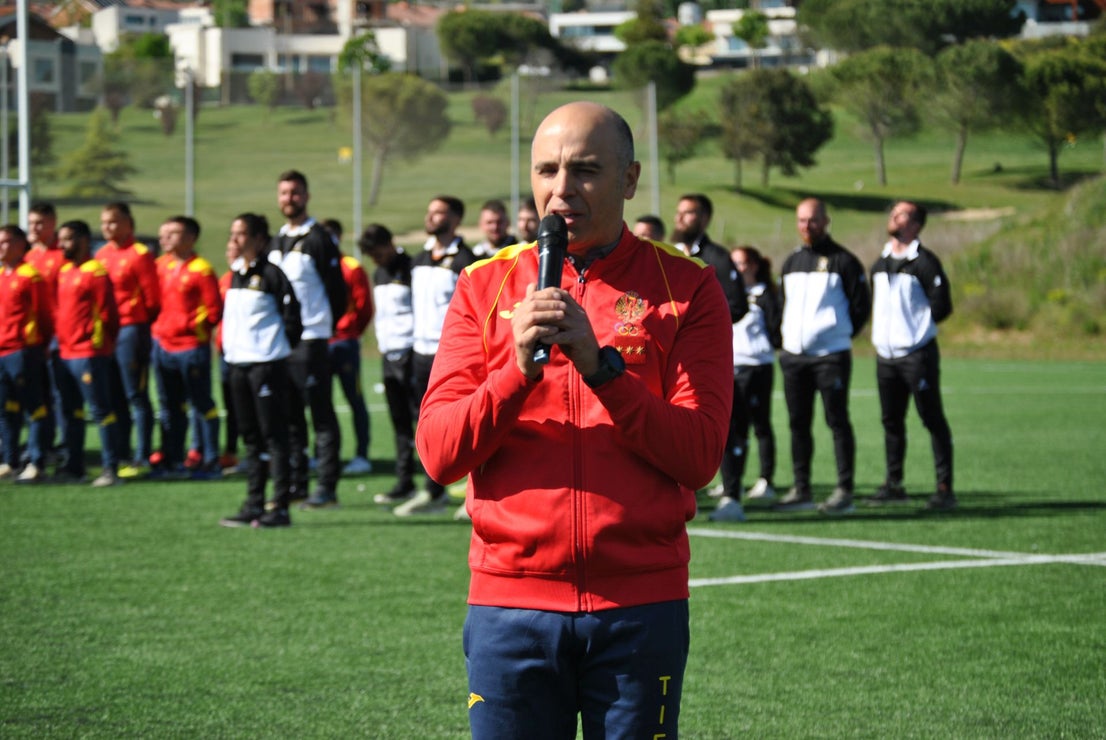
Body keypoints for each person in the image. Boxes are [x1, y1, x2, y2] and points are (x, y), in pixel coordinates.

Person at [415, 102, 733, 738]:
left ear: (630, 179)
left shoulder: (687, 287)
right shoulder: (483, 286)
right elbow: (439, 453)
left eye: (586, 169)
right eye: (547, 170)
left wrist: (601, 368)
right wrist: (515, 372)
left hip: (641, 606)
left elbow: (698, 457)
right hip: (509, 605)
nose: (562, 190)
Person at [776, 198, 871, 515]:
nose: (807, 226)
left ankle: (844, 489)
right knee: (797, 423)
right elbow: (781, 307)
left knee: (837, 421)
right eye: (801, 220)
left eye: (813, 220)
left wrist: (836, 334)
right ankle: (801, 488)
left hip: (830, 356)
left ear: (826, 221)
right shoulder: (791, 262)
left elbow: (860, 308)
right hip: (794, 358)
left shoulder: (844, 261)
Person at [868, 201, 956, 511]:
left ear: (916, 225)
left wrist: (916, 331)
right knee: (891, 421)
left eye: (902, 214)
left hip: (917, 355)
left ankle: (944, 488)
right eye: (892, 212)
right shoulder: (880, 263)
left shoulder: (925, 262)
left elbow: (942, 306)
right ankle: (894, 484)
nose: (893, 216)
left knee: (931, 419)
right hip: (885, 357)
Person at [393, 195, 476, 516]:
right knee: (425, 424)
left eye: (438, 212)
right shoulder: (419, 259)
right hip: (419, 353)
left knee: (463, 422)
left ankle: (472, 494)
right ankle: (433, 492)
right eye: (429, 211)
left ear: (455, 219)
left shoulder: (464, 260)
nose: (431, 217)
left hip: (451, 355)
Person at [268, 170, 347, 508]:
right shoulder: (275, 241)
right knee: (289, 417)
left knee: (321, 416)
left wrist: (321, 326)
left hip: (312, 339)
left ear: (307, 196)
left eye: (296, 192)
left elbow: (338, 292)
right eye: (284, 192)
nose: (290, 198)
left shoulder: (319, 238)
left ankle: (326, 487)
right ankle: (297, 483)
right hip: (281, 343)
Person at [219, 213, 303, 528]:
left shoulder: (272, 275)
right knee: (251, 439)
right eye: (232, 233)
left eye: (240, 234)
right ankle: (253, 503)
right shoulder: (236, 274)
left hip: (266, 367)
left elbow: (293, 319)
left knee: (275, 437)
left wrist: (275, 352)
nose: (234, 240)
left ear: (258, 239)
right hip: (238, 366)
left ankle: (278, 506)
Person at [710, 245, 782, 522]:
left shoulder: (765, 294)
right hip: (731, 365)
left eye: (742, 263)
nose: (738, 269)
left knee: (758, 424)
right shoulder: (726, 293)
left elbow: (775, 329)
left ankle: (765, 479)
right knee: (731, 427)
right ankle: (732, 481)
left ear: (753, 265)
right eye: (734, 263)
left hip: (756, 366)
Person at [151, 216, 224, 480]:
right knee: (169, 406)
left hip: (191, 347)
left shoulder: (201, 270)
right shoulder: (160, 266)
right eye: (164, 233)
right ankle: (172, 459)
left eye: (173, 233)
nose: (165, 238)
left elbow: (214, 310)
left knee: (201, 403)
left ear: (191, 238)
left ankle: (210, 460)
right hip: (163, 346)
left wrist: (191, 327)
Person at [52, 220, 122, 487]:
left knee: (101, 410)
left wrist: (100, 346)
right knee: (70, 411)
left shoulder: (96, 273)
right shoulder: (65, 271)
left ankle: (110, 469)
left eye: (67, 239)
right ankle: (74, 466)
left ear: (83, 241)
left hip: (88, 353)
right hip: (64, 352)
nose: (62, 245)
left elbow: (108, 315)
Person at [98, 202, 160, 479]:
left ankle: (142, 455)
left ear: (128, 224)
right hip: (106, 333)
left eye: (113, 222)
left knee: (136, 394)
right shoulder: (100, 255)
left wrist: (137, 325)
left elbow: (152, 300)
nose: (107, 227)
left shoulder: (140, 254)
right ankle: (121, 453)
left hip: (131, 330)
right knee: (114, 396)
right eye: (104, 223)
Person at [322, 217, 374, 476]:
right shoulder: (315, 266)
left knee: (354, 398)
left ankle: (362, 454)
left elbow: (364, 308)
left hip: (344, 343)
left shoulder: (351, 267)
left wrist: (349, 332)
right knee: (320, 402)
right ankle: (322, 455)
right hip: (319, 344)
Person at [0, 225, 51, 482]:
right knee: (6, 409)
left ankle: (36, 461)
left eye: (7, 242)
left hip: (23, 351)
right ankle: (9, 461)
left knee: (34, 409)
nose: (2, 246)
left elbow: (44, 315)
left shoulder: (31, 277)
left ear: (21, 246)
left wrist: (39, 347)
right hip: (1, 351)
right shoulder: (0, 275)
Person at [25, 202, 66, 458]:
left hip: (57, 335)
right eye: (31, 223)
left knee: (58, 391)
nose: (35, 228)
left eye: (40, 223)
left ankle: (64, 443)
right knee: (36, 392)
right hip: (31, 337)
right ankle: (42, 444)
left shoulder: (62, 256)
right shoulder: (27, 257)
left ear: (52, 223)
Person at [672, 193, 747, 325]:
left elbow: (737, 305)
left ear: (704, 219)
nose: (679, 218)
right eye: (678, 212)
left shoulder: (718, 258)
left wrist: (701, 324)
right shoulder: (671, 255)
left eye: (687, 213)